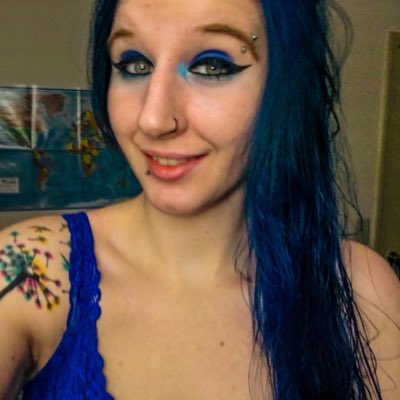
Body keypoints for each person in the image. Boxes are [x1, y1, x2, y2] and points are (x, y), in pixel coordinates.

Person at [0, 0, 399, 398]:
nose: (153, 120)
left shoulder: (362, 290)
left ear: (289, 85)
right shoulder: (28, 270)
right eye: (134, 64)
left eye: (212, 66)